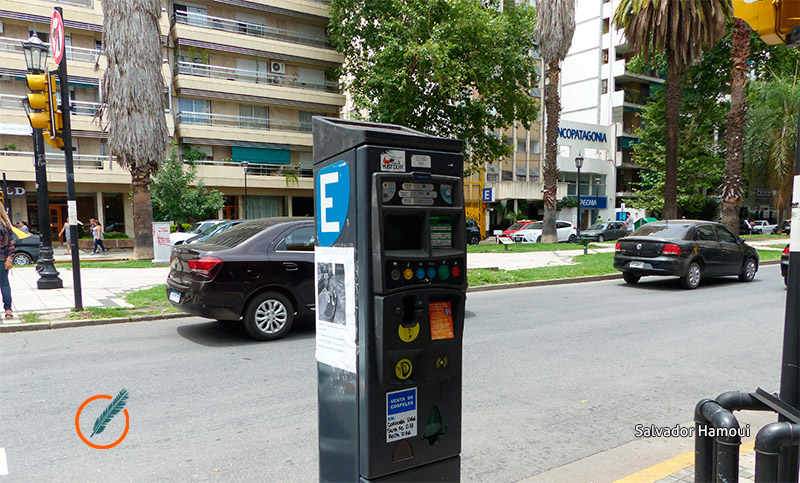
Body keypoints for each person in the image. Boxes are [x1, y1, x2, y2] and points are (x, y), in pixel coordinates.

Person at [0, 209, 15, 319]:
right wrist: (9, 257)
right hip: (3, 258)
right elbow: (11, 243)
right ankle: (8, 310)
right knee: (4, 283)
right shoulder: (6, 225)